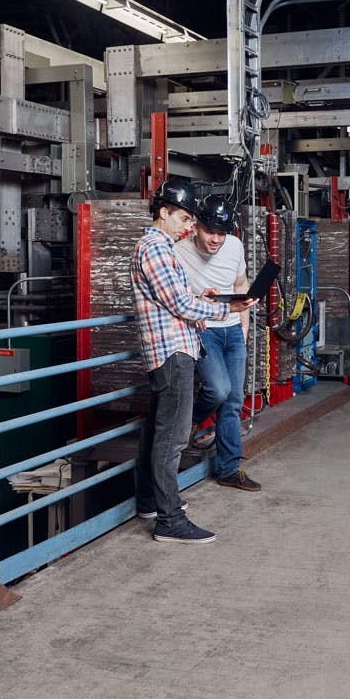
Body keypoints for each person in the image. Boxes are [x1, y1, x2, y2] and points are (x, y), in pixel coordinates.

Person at [131, 180, 257, 543]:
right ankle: (169, 520)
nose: (188, 227)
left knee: (159, 432)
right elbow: (179, 303)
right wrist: (226, 308)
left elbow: (177, 299)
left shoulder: (162, 248)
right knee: (171, 439)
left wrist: (203, 298)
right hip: (172, 352)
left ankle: (150, 502)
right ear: (164, 212)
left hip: (175, 348)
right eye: (184, 219)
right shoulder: (154, 248)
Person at [175, 194, 261, 493]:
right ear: (196, 227)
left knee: (233, 401)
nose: (215, 239)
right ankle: (189, 421)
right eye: (210, 231)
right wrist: (196, 307)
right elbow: (177, 297)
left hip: (233, 329)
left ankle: (229, 470)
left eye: (221, 233)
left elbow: (240, 285)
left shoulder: (234, 246)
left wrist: (244, 328)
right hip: (204, 330)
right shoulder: (179, 251)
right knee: (218, 389)